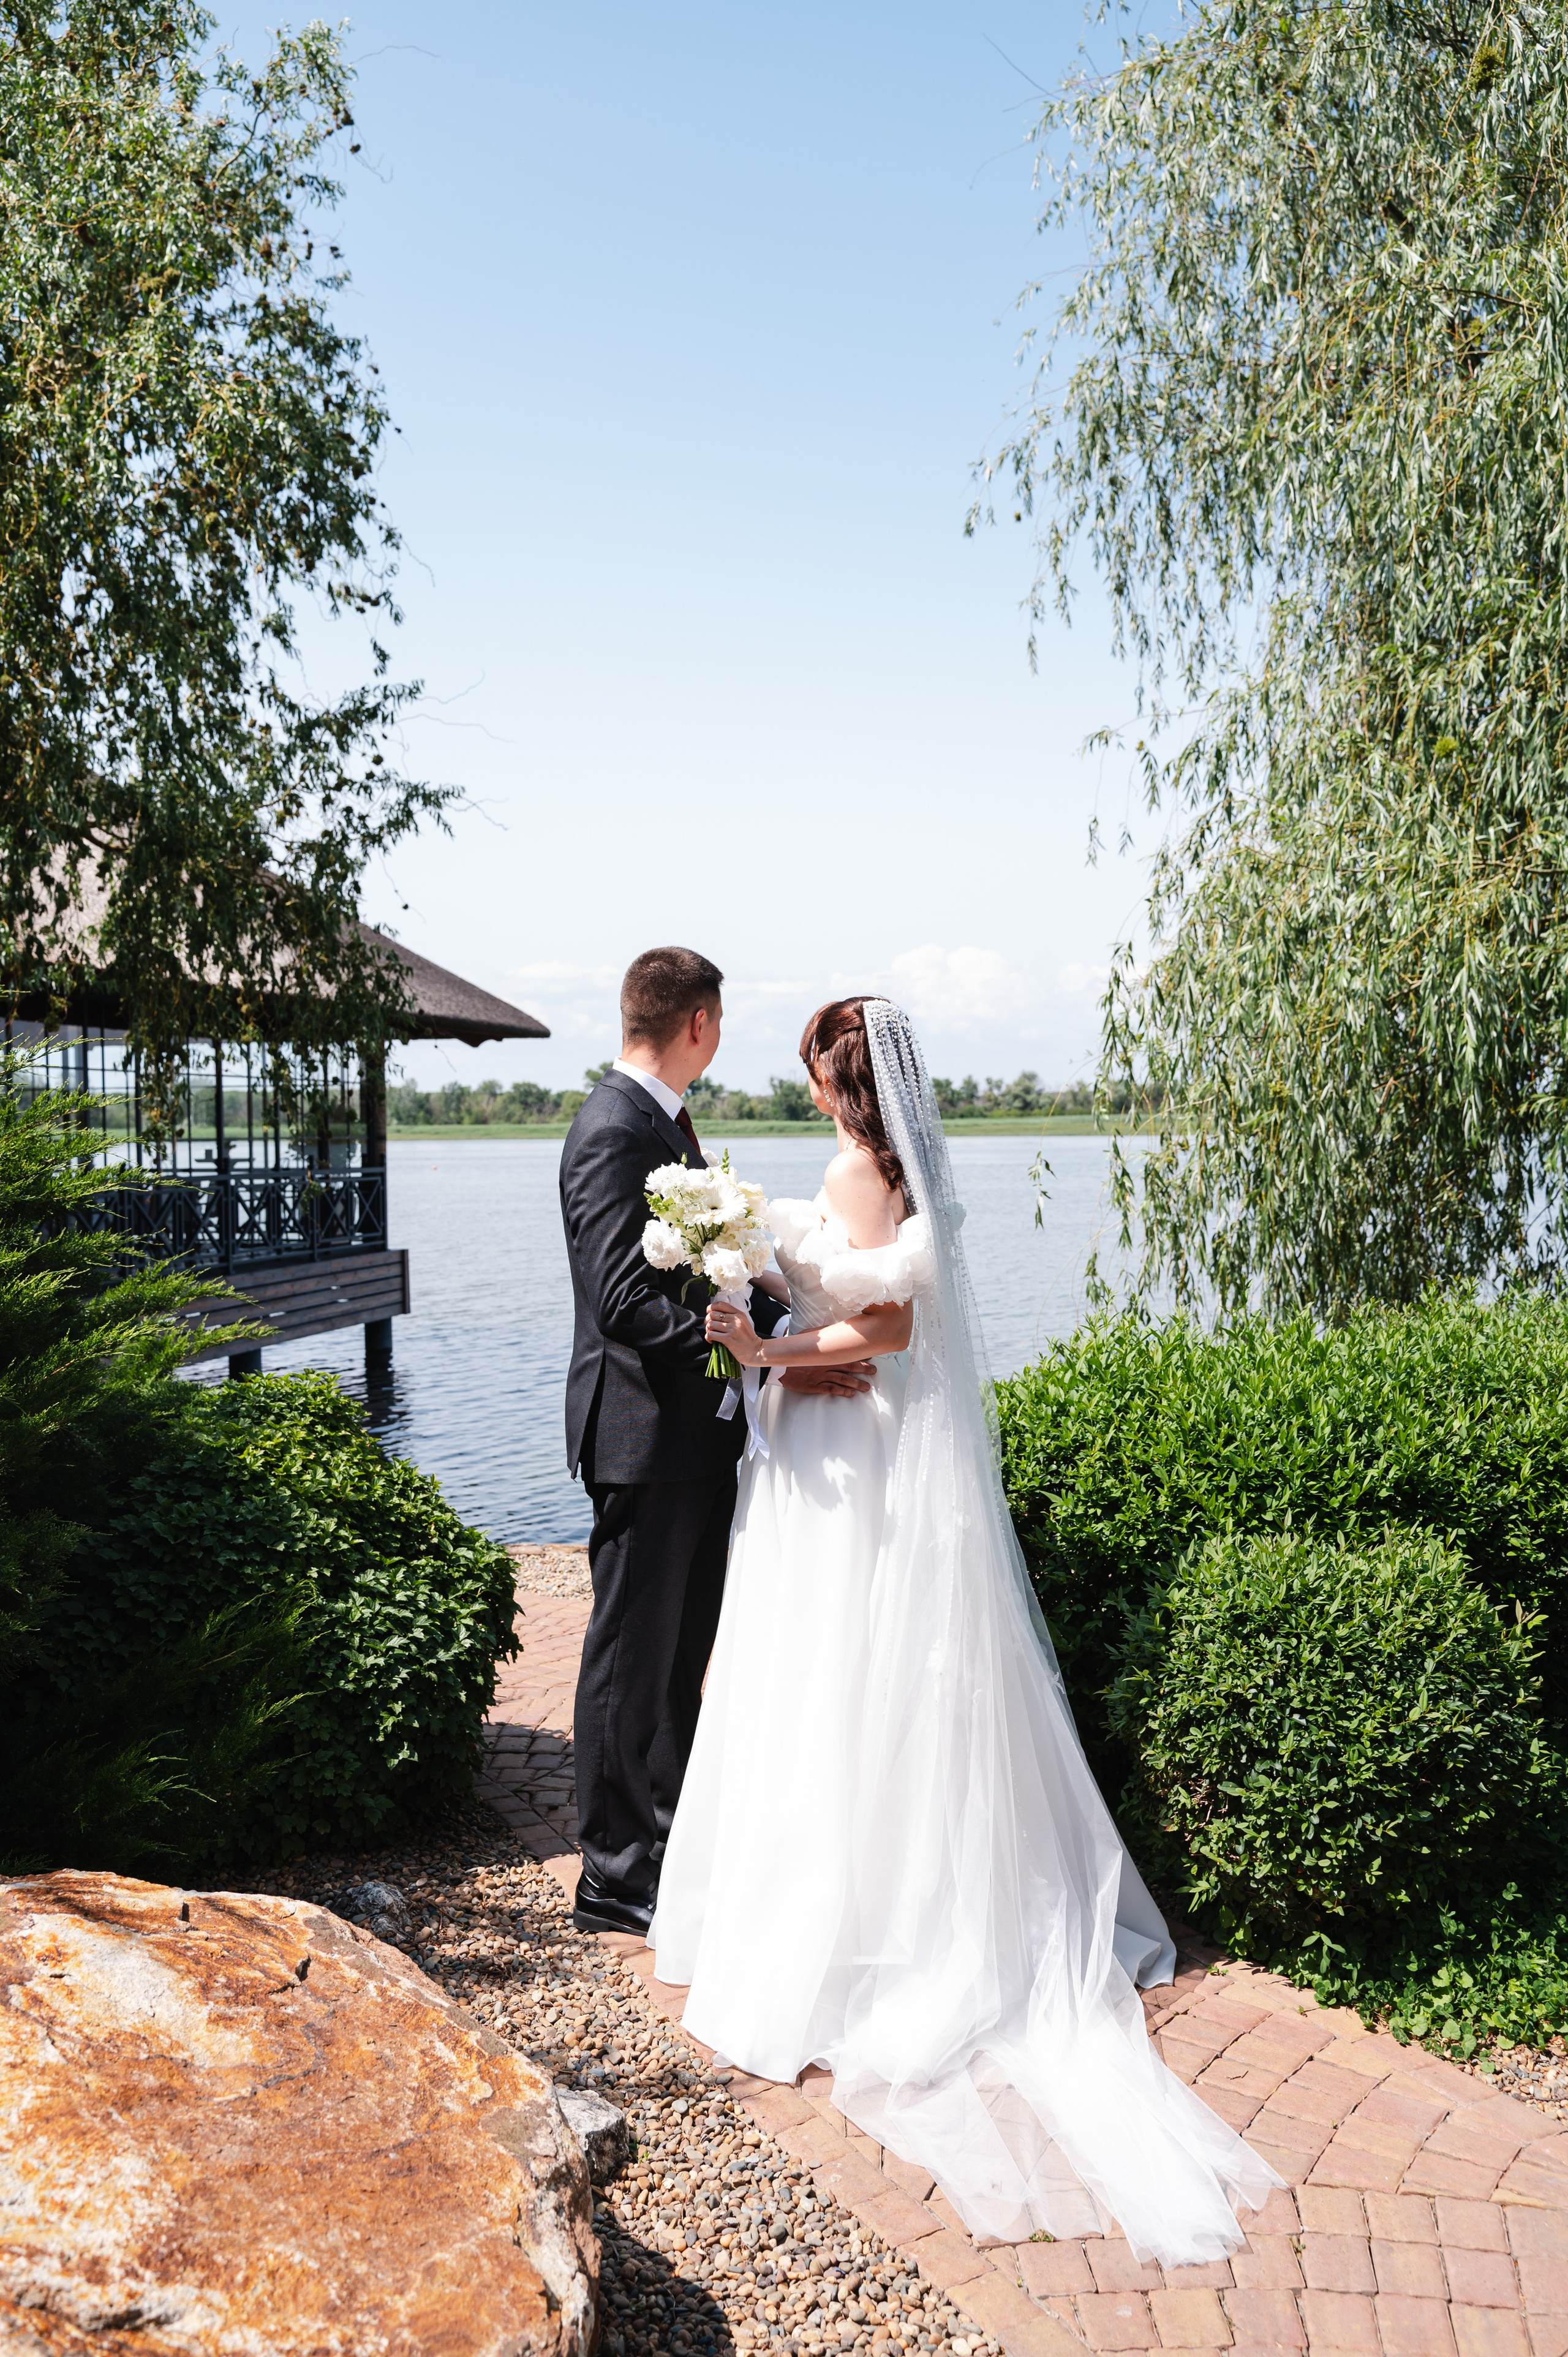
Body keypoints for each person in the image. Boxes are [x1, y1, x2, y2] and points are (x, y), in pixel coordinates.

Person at [650, 995, 1280, 2264]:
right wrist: (768, 1281)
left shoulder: (856, 1170)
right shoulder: (894, 1169)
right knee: (841, 1676)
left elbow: (882, 1332)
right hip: (848, 1440)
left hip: (844, 1448)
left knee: (829, 1676)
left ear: (842, 1084)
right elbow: (863, 1298)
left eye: (814, 1072)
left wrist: (764, 1348)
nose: (808, 1090)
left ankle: (844, 1937)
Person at [559, 948, 874, 1939]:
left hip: (696, 1435)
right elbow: (622, 1300)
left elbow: (707, 1275)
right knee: (629, 1656)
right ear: (698, 1023)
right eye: (722, 1022)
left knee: (680, 1654)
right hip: (641, 1435)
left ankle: (670, 1846)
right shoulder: (613, 1127)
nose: (722, 1036)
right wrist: (755, 1355)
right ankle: (613, 1874)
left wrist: (777, 1332)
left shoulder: (665, 1122)